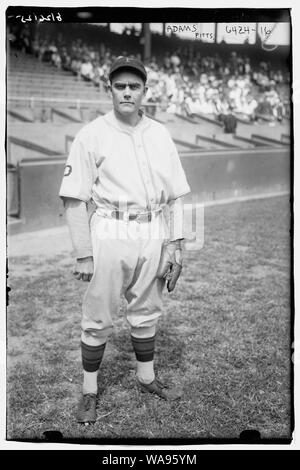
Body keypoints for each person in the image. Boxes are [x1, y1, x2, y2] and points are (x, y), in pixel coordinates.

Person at [59, 56, 191, 424]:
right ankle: (89, 390)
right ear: (110, 90)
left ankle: (146, 377)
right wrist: (84, 253)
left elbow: (177, 194)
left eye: (135, 86)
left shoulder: (161, 133)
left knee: (148, 309)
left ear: (145, 91)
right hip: (110, 228)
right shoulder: (91, 134)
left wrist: (175, 243)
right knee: (98, 316)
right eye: (121, 86)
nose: (128, 92)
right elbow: (74, 199)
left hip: (153, 230)